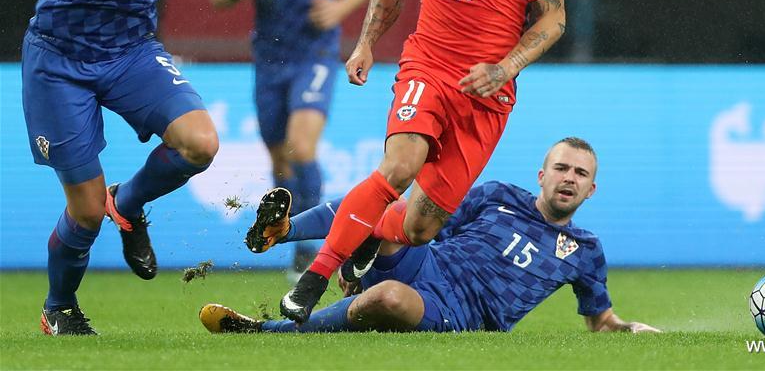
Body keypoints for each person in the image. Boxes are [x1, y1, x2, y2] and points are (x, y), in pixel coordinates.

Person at [21, 0, 329, 336]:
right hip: (61, 56)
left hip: (130, 50)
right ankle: (58, 306)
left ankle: (128, 203)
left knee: (200, 142)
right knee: (84, 210)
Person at [277, 0, 567, 324]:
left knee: (419, 227)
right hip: (427, 68)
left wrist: (505, 67)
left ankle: (369, 230)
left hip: (488, 95)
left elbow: (554, 18)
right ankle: (315, 276)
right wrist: (365, 44)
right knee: (399, 167)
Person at [201, 138, 660, 334]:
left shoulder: (585, 250)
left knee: (388, 299)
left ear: (591, 189)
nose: (569, 178)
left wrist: (628, 329)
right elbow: (430, 226)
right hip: (429, 262)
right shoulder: (498, 195)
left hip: (462, 313)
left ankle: (268, 329)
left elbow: (600, 319)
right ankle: (284, 231)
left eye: (580, 173)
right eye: (561, 168)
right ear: (542, 175)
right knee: (391, 208)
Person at [210, 0, 373, 274]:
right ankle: (289, 236)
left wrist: (339, 8)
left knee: (302, 147)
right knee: (281, 161)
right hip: (269, 58)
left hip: (315, 53)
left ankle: (314, 249)